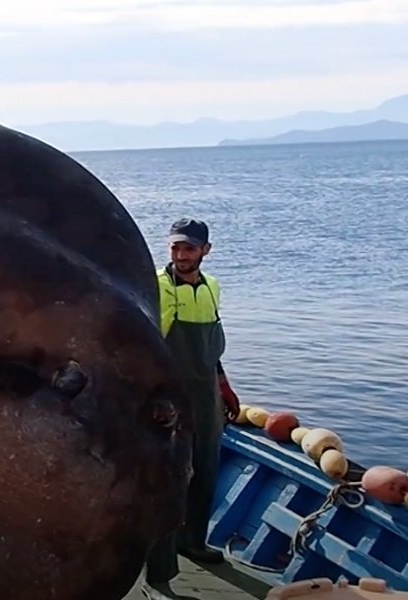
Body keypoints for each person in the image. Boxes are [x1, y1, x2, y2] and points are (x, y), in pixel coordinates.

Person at [142, 218, 241, 600]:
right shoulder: (156, 286)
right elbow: (143, 345)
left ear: (205, 251)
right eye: (175, 248)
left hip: (206, 398)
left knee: (206, 472)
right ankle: (159, 577)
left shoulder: (212, 288)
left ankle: (193, 542)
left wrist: (223, 386)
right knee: (170, 482)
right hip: (169, 399)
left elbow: (211, 348)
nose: (181, 256)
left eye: (189, 248)